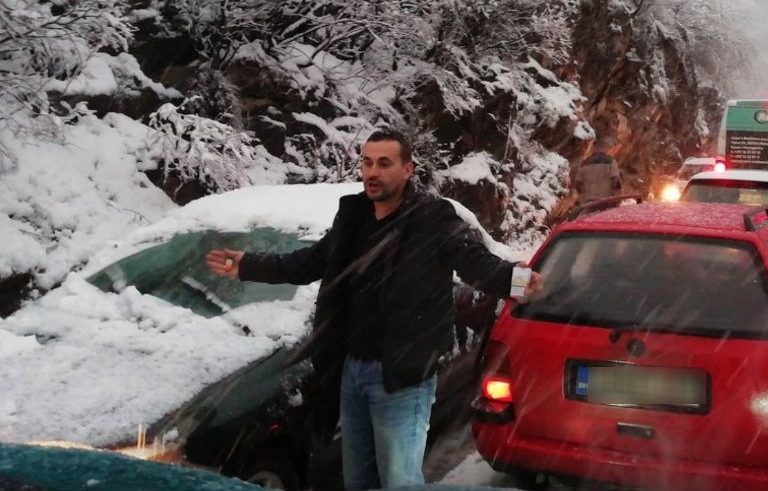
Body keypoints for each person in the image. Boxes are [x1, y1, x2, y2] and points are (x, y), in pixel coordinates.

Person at [204, 128, 541, 491]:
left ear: (408, 169)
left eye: (383, 163)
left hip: (403, 377)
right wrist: (248, 265)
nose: (372, 172)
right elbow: (309, 262)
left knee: (399, 482)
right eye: (366, 163)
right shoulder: (353, 216)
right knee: (358, 479)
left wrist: (517, 282)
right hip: (351, 372)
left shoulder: (433, 218)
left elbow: (476, 263)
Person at [573, 138, 622, 204]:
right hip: (606, 201)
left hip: (587, 203)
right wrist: (617, 199)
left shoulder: (584, 163)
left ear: (593, 149)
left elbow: (578, 185)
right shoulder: (610, 162)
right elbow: (616, 182)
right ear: (606, 149)